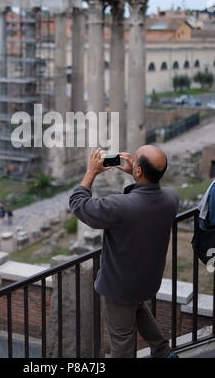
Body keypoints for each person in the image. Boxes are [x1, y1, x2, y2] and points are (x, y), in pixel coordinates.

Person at [69, 145, 180, 358]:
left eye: (136, 161)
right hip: (147, 281)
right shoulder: (171, 199)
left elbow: (78, 204)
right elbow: (154, 188)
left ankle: (162, 350)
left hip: (119, 287)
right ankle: (164, 351)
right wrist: (138, 175)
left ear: (138, 170)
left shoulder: (120, 206)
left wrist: (91, 172)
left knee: (122, 342)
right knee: (139, 309)